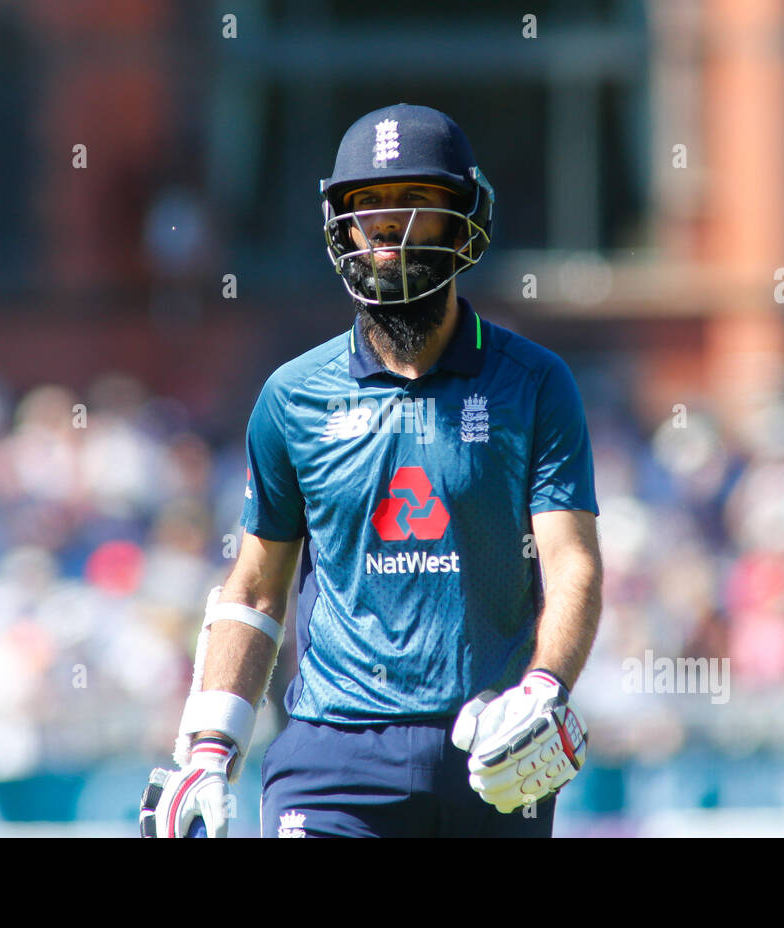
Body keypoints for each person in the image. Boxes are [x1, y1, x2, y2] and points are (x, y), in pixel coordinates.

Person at [140, 103, 603, 838]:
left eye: (417, 203)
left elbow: (572, 563)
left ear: (465, 220)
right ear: (342, 226)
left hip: (489, 747)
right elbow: (257, 584)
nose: (391, 229)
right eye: (370, 207)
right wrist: (208, 744)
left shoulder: (534, 383)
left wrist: (545, 688)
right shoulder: (293, 395)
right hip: (331, 756)